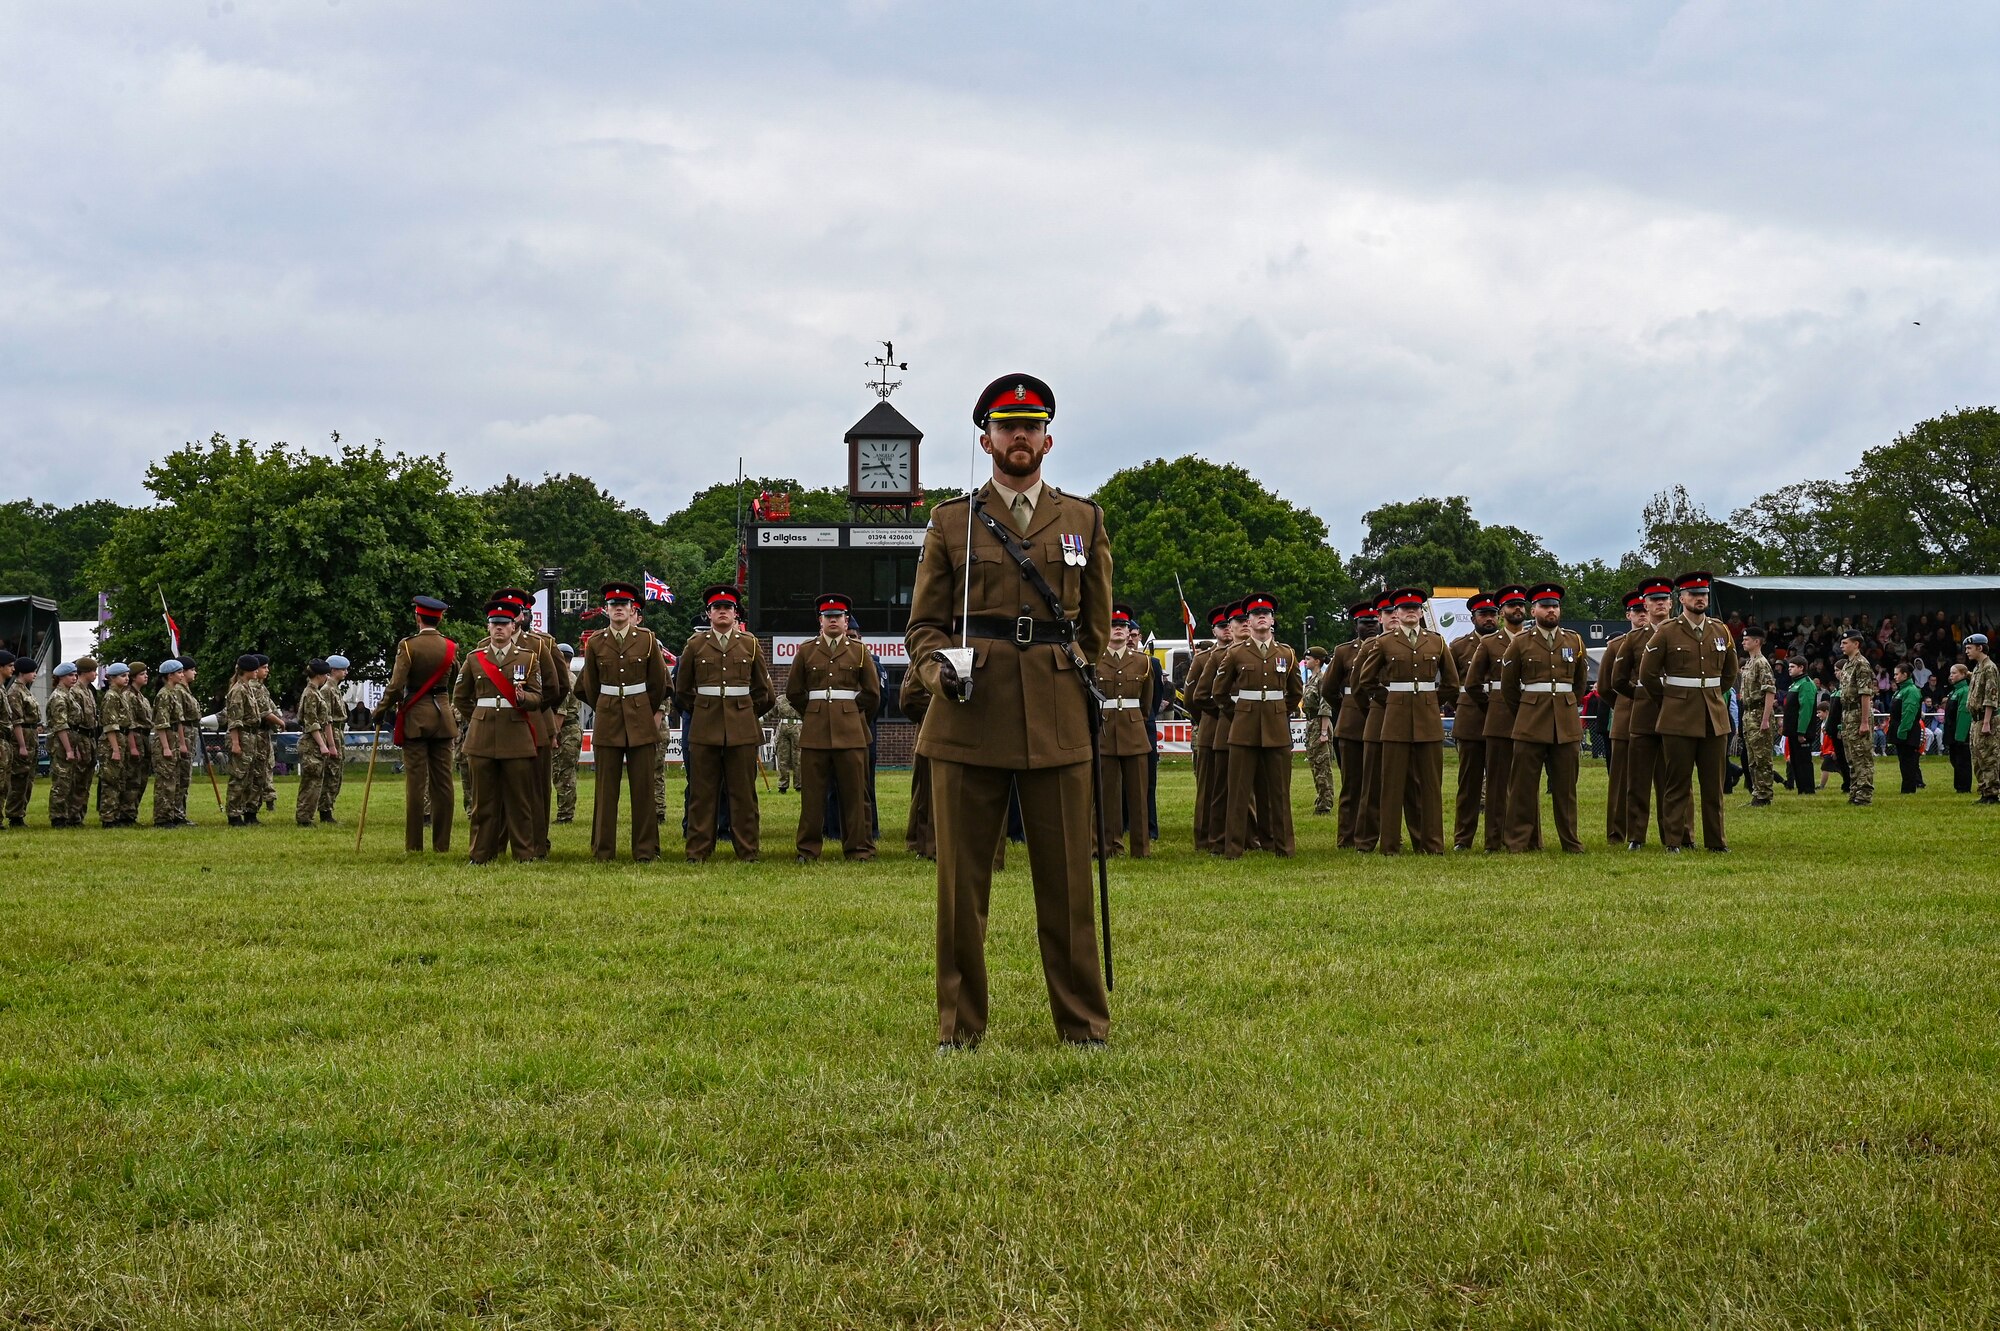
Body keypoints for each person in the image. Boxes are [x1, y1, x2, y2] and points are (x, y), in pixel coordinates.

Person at [905, 371, 1111, 1050]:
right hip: (971, 713)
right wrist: (938, 671)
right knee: (961, 888)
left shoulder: (1084, 520)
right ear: (986, 436)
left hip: (1056, 715)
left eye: (1030, 426)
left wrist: (1074, 681)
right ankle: (959, 1028)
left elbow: (1096, 630)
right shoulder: (949, 522)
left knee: (1069, 884)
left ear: (1048, 439)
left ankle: (1083, 1025)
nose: (1018, 436)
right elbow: (924, 627)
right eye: (1005, 425)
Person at [1355, 587, 1460, 855]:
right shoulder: (1384, 642)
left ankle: (1432, 844)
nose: (1410, 612)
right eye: (1404, 609)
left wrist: (1432, 700)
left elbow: (1451, 682)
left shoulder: (1436, 642)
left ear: (1421, 612)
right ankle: (1390, 844)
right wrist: (1389, 700)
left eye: (1415, 608)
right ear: (1397, 614)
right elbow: (1366, 680)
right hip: (1395, 720)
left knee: (1430, 785)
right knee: (1391, 784)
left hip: (1428, 720)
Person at [1639, 571, 1739, 851]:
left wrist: (1714, 695)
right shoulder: (1667, 631)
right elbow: (1648, 674)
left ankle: (1716, 841)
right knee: (1677, 783)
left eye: (1704, 594)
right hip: (1678, 717)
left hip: (1713, 716)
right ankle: (1675, 840)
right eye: (1694, 595)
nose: (1700, 599)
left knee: (1713, 785)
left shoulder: (1720, 630)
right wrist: (1670, 700)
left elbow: (1730, 673)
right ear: (1681, 598)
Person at [674, 584, 774, 862]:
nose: (722, 612)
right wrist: (703, 710)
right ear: (708, 614)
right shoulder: (694, 645)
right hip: (705, 727)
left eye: (727, 608)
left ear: (735, 613)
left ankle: (747, 850)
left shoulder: (750, 644)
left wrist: (745, 711)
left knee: (743, 792)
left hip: (741, 727)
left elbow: (762, 690)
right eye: (717, 608)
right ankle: (698, 851)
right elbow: (682, 691)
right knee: (701, 792)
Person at [579, 582, 675, 861]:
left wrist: (645, 709)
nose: (618, 609)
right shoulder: (596, 642)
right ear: (606, 610)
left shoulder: (646, 639)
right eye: (613, 605)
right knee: (605, 790)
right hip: (608, 718)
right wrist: (606, 705)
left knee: (644, 788)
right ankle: (603, 850)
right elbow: (588, 686)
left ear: (633, 609)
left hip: (640, 719)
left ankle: (645, 850)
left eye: (623, 605)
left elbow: (659, 682)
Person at [787, 592, 882, 862]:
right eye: (828, 616)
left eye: (837, 617)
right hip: (815, 732)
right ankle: (807, 849)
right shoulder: (806, 651)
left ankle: (859, 849)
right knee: (812, 797)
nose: (833, 621)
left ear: (846, 620)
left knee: (855, 794)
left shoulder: (860, 651)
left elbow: (872, 694)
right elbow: (794, 692)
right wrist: (815, 712)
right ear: (820, 620)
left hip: (851, 732)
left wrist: (850, 712)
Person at [452, 600, 547, 863]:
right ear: (488, 626)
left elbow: (539, 697)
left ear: (513, 625)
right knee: (483, 801)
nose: (499, 629)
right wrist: (479, 717)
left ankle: (524, 853)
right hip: (482, 737)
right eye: (494, 624)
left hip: (516, 734)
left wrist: (522, 699)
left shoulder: (528, 659)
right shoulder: (474, 658)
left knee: (519, 800)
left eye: (504, 624)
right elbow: (460, 697)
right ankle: (481, 853)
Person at [1211, 591, 1302, 858]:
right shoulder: (1236, 652)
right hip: (1243, 729)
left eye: (1266, 614)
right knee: (1238, 792)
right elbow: (1219, 692)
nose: (1261, 618)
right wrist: (1238, 714)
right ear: (1248, 622)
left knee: (1279, 793)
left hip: (1276, 730)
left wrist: (1278, 712)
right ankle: (1233, 848)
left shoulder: (1286, 653)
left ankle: (1284, 847)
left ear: (1273, 620)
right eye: (1255, 615)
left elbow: (1295, 692)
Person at [1500, 582, 1588, 852]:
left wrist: (1566, 705)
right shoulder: (1521, 643)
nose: (1551, 610)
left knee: (1566, 787)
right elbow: (1509, 687)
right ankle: (1519, 841)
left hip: (1565, 722)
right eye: (1545, 606)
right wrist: (1526, 710)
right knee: (1523, 787)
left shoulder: (1574, 640)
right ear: (1533, 610)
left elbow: (1580, 682)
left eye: (1555, 606)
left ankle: (1570, 841)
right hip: (1530, 720)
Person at [490, 587, 570, 858]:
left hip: (535, 725)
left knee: (536, 789)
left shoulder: (541, 644)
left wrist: (536, 708)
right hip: (498, 726)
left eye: (518, 612)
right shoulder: (483, 647)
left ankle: (537, 844)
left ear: (522, 617)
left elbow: (556, 685)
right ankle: (497, 845)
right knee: (497, 789)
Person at [377, 595, 460, 852]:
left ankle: (414, 845)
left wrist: (381, 710)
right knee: (443, 783)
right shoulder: (450, 646)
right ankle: (442, 844)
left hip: (416, 716)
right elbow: (456, 676)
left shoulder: (408, 646)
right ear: (440, 618)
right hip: (444, 716)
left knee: (416, 783)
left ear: (417, 617)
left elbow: (396, 684)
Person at [1094, 603, 1155, 857]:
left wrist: (1135, 721)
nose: (1118, 630)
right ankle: (1107, 845)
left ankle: (1141, 849)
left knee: (1138, 794)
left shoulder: (1142, 662)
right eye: (1113, 626)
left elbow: (1146, 703)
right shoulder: (1094, 659)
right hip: (1105, 731)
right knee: (1105, 794)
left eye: (1123, 626)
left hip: (1134, 731)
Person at [1470, 586, 1528, 851]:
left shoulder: (1534, 638)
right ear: (1502, 611)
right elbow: (1472, 685)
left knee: (1526, 782)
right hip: (1499, 717)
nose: (1517, 608)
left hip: (1531, 716)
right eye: (1511, 605)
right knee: (1496, 782)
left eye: (1520, 604)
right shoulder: (1489, 643)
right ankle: (1493, 840)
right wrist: (1492, 706)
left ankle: (1529, 839)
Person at [1319, 599, 1378, 850]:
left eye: (1374, 621)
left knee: (1378, 784)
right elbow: (1329, 689)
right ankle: (1347, 837)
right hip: (1352, 725)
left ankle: (1375, 834)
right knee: (1352, 785)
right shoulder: (1344, 652)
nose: (1371, 626)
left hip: (1382, 721)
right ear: (1356, 625)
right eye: (1366, 623)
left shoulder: (1387, 646)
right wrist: (1346, 708)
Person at [1620, 578, 1674, 848]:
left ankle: (1677, 835)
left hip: (1678, 713)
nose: (1660, 603)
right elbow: (1618, 681)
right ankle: (1636, 836)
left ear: (1672, 603)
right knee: (1638, 780)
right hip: (1644, 714)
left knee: (1675, 781)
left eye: (1664, 598)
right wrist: (1641, 696)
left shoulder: (1682, 632)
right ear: (1645, 605)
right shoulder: (1633, 639)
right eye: (1654, 600)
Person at [1448, 591, 1498, 850]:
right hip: (1470, 718)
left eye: (1492, 614)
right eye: (1483, 615)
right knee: (1469, 783)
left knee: (1501, 781)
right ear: (1473, 618)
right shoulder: (1458, 646)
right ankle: (1463, 838)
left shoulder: (1509, 643)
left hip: (1501, 716)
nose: (1489, 619)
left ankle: (1496, 836)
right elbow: (1448, 684)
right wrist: (1462, 706)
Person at [1600, 589, 1647, 843]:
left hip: (1661, 717)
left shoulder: (1664, 640)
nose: (1642, 616)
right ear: (1628, 614)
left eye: (1645, 610)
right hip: (1626, 716)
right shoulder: (1617, 646)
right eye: (1637, 611)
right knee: (1620, 782)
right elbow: (1606, 687)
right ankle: (1617, 833)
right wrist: (1624, 704)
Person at [1185, 605, 1232, 851]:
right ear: (1214, 631)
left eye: (1230, 625)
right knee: (1208, 787)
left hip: (1238, 728)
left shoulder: (1241, 653)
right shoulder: (1204, 658)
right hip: (1211, 726)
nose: (1227, 630)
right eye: (1222, 626)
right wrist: (1210, 718)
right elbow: (1192, 698)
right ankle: (1204, 837)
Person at [295, 659, 342, 826]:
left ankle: (307, 816)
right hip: (311, 743)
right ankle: (304, 818)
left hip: (317, 741)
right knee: (310, 782)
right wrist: (323, 745)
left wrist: (330, 744)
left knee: (316, 781)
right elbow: (312, 723)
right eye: (325, 675)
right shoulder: (310, 694)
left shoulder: (315, 692)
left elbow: (326, 720)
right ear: (321, 675)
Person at [152, 659, 198, 826]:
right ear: (169, 675)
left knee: (176, 780)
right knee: (166, 781)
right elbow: (161, 724)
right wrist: (165, 747)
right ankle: (162, 818)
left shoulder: (173, 693)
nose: (181, 675)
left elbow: (179, 721)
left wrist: (182, 743)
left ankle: (173, 814)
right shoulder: (164, 695)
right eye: (179, 672)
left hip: (175, 740)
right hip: (166, 740)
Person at [1736, 624, 1777, 807]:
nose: (1743, 642)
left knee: (1762, 757)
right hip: (1749, 712)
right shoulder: (1750, 663)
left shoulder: (1761, 663)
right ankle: (1757, 792)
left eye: (1747, 639)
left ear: (1757, 642)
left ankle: (1764, 795)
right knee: (1752, 757)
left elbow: (1769, 691)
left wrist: (1766, 719)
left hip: (1759, 711)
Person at [1836, 629, 1877, 807]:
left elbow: (1865, 694)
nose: (1841, 646)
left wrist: (1864, 722)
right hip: (1848, 714)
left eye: (1845, 643)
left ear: (1856, 644)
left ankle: (1864, 794)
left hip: (1859, 712)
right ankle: (1855, 791)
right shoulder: (1847, 664)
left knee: (1862, 755)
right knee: (1851, 756)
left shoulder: (1861, 664)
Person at [900, 665, 936, 858]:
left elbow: (909, 698)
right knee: (926, 790)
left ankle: (921, 843)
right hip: (932, 726)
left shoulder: (925, 655)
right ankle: (923, 843)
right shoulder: (927, 656)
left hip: (930, 725)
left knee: (925, 789)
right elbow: (910, 698)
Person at [97, 662, 138, 827]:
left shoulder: (121, 695)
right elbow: (110, 726)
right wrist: (115, 749)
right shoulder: (111, 697)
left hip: (121, 739)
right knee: (111, 781)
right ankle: (108, 818)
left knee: (119, 780)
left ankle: (115, 816)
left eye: (127, 675)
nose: (127, 678)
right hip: (112, 743)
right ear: (112, 678)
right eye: (123, 676)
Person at [1300, 645, 1335, 816]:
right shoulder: (1311, 679)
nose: (1306, 661)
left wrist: (1323, 733)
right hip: (1311, 724)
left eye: (1308, 659)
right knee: (1314, 763)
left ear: (1317, 661)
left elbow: (1325, 707)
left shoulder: (1322, 679)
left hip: (1320, 724)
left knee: (1322, 765)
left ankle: (1326, 803)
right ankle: (1320, 797)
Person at [551, 643, 583, 822]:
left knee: (563, 774)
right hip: (572, 729)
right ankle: (565, 812)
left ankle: (565, 815)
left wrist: (554, 735)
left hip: (565, 730)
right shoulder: (572, 677)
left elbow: (560, 712)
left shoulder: (563, 680)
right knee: (566, 772)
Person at [1966, 633, 1999, 803]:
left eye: (1969, 648)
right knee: (1978, 757)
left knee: (1988, 756)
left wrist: (1986, 722)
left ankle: (1992, 793)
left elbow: (1990, 697)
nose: (1967, 651)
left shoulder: (1989, 668)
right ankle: (1984, 791)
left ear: (1980, 648)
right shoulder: (1979, 668)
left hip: (1986, 719)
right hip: (1976, 719)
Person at [6, 655, 37, 826]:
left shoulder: (25, 690)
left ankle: (20, 812)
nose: (34, 674)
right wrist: (22, 745)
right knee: (19, 777)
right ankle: (14, 814)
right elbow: (16, 721)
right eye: (32, 671)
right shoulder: (16, 692)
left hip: (30, 734)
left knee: (28, 778)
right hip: (22, 736)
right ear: (23, 672)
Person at [1782, 657, 1819, 798]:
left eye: (1792, 666)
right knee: (1796, 761)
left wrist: (1801, 731)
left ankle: (1808, 789)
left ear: (1801, 667)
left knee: (1803, 761)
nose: (1789, 669)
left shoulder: (1806, 684)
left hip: (1800, 731)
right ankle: (1801, 789)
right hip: (1792, 731)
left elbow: (1806, 709)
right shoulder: (1795, 684)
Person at [1889, 662, 1924, 794]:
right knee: (1903, 760)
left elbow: (1909, 713)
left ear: (1905, 675)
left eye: (1897, 674)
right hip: (1900, 728)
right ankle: (1906, 787)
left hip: (1907, 730)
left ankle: (1909, 789)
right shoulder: (1902, 690)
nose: (1895, 677)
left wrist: (1903, 731)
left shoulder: (1911, 690)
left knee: (1909, 761)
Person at [1944, 662, 1973, 794]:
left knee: (1963, 760)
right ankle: (1959, 785)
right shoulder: (1954, 691)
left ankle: (1964, 787)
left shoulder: (1965, 691)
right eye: (1951, 673)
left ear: (1962, 674)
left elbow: (1964, 714)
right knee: (1955, 759)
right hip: (1952, 731)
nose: (1951, 676)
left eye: (1954, 673)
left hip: (1960, 732)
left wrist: (1960, 735)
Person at [768, 690, 803, 794]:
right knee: (783, 758)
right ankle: (783, 785)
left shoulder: (800, 699)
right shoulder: (780, 699)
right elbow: (771, 713)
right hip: (783, 729)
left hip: (798, 728)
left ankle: (799, 785)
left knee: (798, 758)